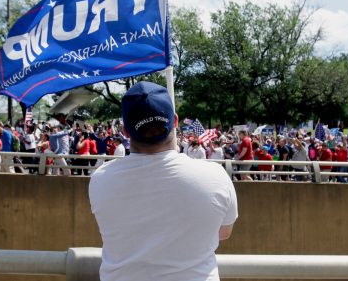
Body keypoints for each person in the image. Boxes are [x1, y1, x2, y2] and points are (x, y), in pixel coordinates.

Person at [89, 81, 237, 281]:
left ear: (124, 131)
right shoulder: (216, 176)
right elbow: (223, 233)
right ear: (174, 121)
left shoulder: (100, 180)